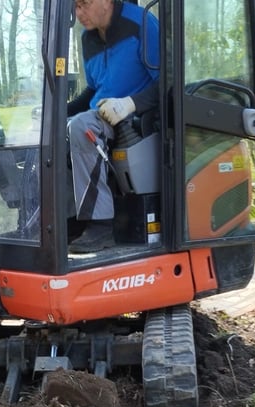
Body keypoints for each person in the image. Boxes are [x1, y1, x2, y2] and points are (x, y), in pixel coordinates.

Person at [67, 0, 160, 253]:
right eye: (75, 7)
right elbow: (95, 89)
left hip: (134, 117)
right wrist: (59, 111)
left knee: (81, 127)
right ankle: (68, 222)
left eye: (84, 4)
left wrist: (130, 103)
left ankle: (100, 226)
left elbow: (168, 80)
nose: (78, 13)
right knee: (55, 131)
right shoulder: (89, 39)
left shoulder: (141, 23)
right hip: (102, 113)